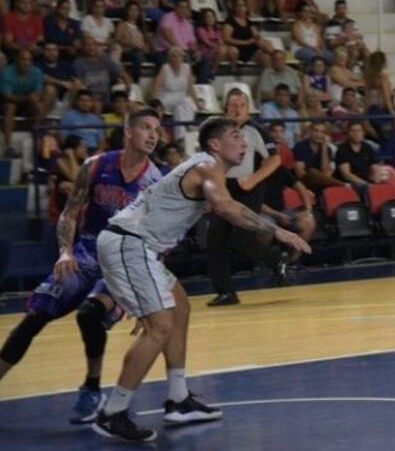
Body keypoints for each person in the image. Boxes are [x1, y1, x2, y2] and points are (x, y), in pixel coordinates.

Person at [92, 115, 310, 441]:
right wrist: (278, 230)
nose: (244, 142)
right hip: (127, 243)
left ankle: (179, 400)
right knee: (160, 326)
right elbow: (225, 207)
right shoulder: (207, 167)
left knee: (178, 307)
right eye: (236, 136)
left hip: (136, 247)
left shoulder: (204, 168)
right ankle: (113, 413)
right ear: (215, 145)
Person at [0, 108, 162, 424]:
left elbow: (156, 239)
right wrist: (64, 252)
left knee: (90, 314)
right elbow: (70, 212)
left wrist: (145, 297)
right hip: (86, 252)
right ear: (128, 131)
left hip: (121, 261)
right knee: (34, 317)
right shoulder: (96, 165)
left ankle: (91, 388)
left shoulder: (155, 181)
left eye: (158, 129)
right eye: (146, 127)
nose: (154, 134)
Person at [206, 89, 293, 307]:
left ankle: (276, 257)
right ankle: (226, 292)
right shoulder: (218, 132)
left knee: (240, 238)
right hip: (225, 189)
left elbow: (275, 160)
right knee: (214, 238)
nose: (236, 109)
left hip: (249, 190)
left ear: (248, 108)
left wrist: (253, 180)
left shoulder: (257, 131)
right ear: (226, 108)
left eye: (241, 105)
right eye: (232, 105)